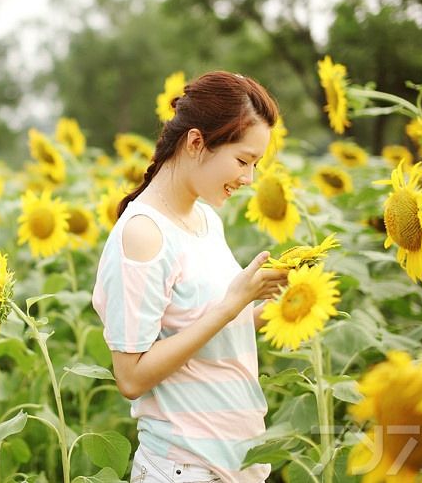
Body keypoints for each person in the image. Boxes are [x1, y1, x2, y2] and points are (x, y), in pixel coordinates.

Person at [91, 71, 289, 483]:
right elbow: (130, 376)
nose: (249, 179)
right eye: (242, 161)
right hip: (185, 467)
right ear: (196, 142)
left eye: (255, 164)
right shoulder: (144, 234)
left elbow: (196, 324)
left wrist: (267, 311)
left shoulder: (204, 219)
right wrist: (233, 303)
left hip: (233, 461)